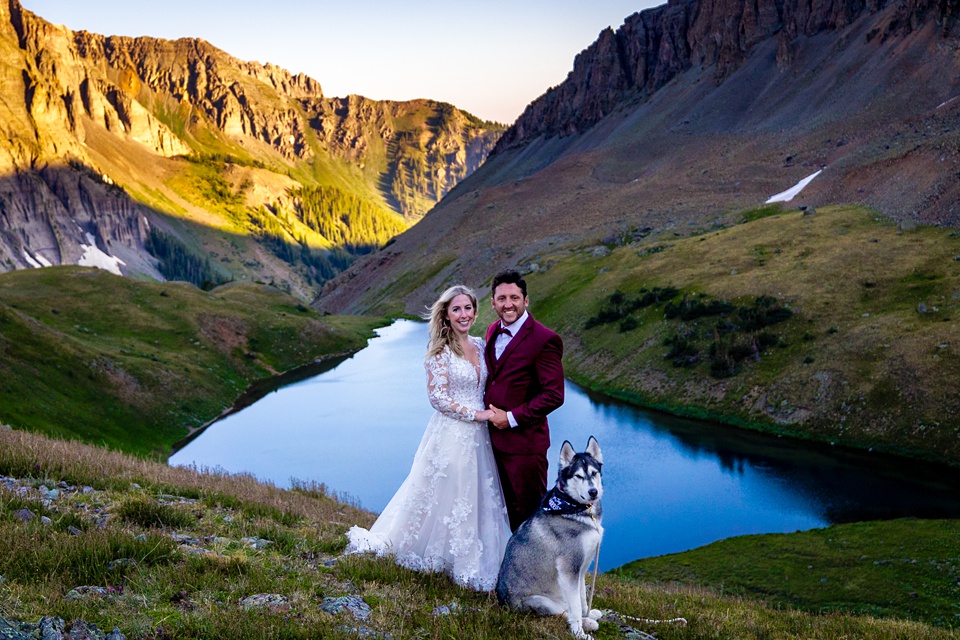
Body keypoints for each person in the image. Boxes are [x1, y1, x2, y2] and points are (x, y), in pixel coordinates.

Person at [345, 285, 512, 591]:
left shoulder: (480, 344)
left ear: (475, 312)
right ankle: (447, 560)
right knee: (449, 495)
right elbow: (437, 398)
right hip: (452, 433)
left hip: (480, 438)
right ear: (446, 316)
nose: (464, 314)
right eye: (456, 309)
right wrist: (477, 415)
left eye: (468, 308)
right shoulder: (440, 352)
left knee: (477, 497)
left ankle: (477, 558)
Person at [484, 269, 565, 531]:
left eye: (515, 298)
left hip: (525, 449)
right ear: (493, 302)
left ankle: (536, 572)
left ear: (526, 300)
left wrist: (509, 418)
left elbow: (554, 395)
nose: (508, 304)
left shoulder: (545, 339)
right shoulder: (492, 331)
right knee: (500, 514)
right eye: (502, 298)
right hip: (491, 445)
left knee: (531, 520)